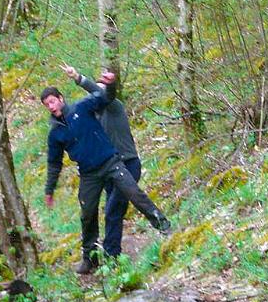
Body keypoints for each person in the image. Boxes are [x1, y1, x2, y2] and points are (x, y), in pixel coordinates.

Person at [41, 71, 171, 274]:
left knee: (133, 192)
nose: (51, 106)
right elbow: (54, 163)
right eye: (47, 104)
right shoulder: (55, 133)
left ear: (60, 99)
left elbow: (104, 97)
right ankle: (90, 258)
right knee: (87, 213)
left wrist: (109, 84)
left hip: (111, 162)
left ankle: (163, 225)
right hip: (88, 174)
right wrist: (50, 189)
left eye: (52, 101)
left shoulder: (82, 108)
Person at [61, 64, 139, 260]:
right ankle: (107, 252)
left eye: (99, 92)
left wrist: (79, 77)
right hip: (109, 168)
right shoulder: (94, 118)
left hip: (127, 165)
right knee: (112, 210)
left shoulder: (114, 107)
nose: (96, 96)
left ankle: (112, 256)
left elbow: (102, 93)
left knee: (113, 210)